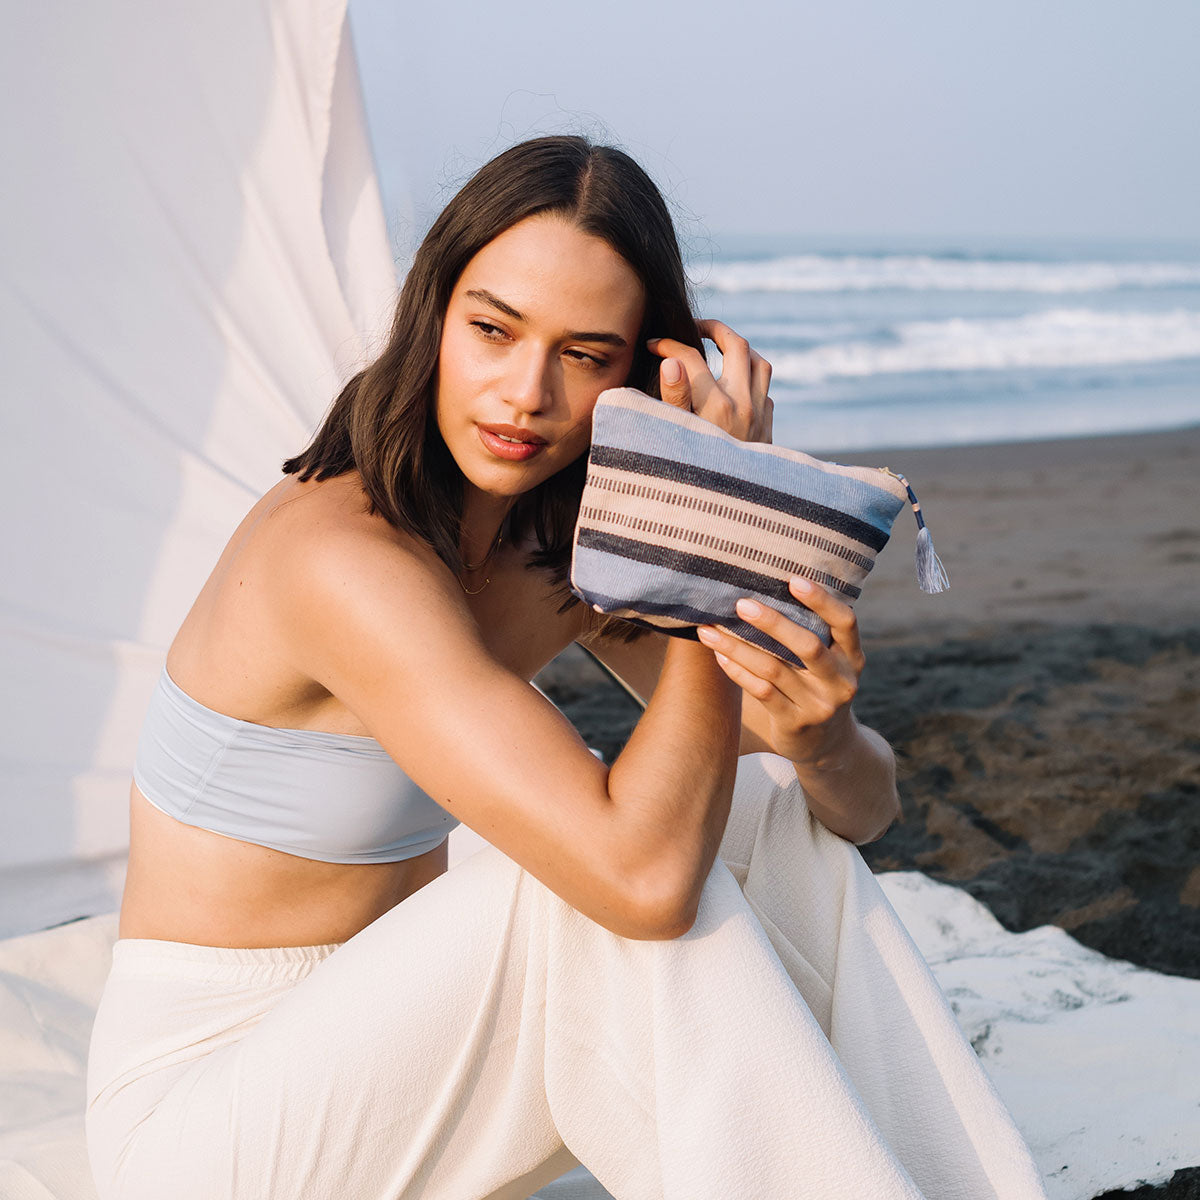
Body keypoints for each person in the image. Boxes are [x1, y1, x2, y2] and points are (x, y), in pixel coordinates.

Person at [85, 134, 1048, 1199]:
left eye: (584, 355)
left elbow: (861, 813)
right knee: (585, 892)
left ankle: (943, 1182)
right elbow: (641, 885)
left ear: (640, 372)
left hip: (384, 1051)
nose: (525, 393)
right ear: (434, 315)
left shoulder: (558, 544)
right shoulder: (340, 559)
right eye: (493, 330)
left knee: (756, 804)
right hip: (202, 1115)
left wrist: (818, 738)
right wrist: (713, 533)